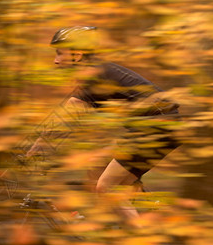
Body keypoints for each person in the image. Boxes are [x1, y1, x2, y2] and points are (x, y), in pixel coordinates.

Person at [27, 26, 180, 226]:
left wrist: (35, 150)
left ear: (78, 54)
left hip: (156, 126)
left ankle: (143, 244)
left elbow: (65, 118)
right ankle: (143, 216)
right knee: (96, 167)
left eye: (59, 53)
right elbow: (68, 116)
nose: (55, 60)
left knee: (106, 187)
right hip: (151, 127)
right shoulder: (96, 73)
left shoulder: (94, 75)